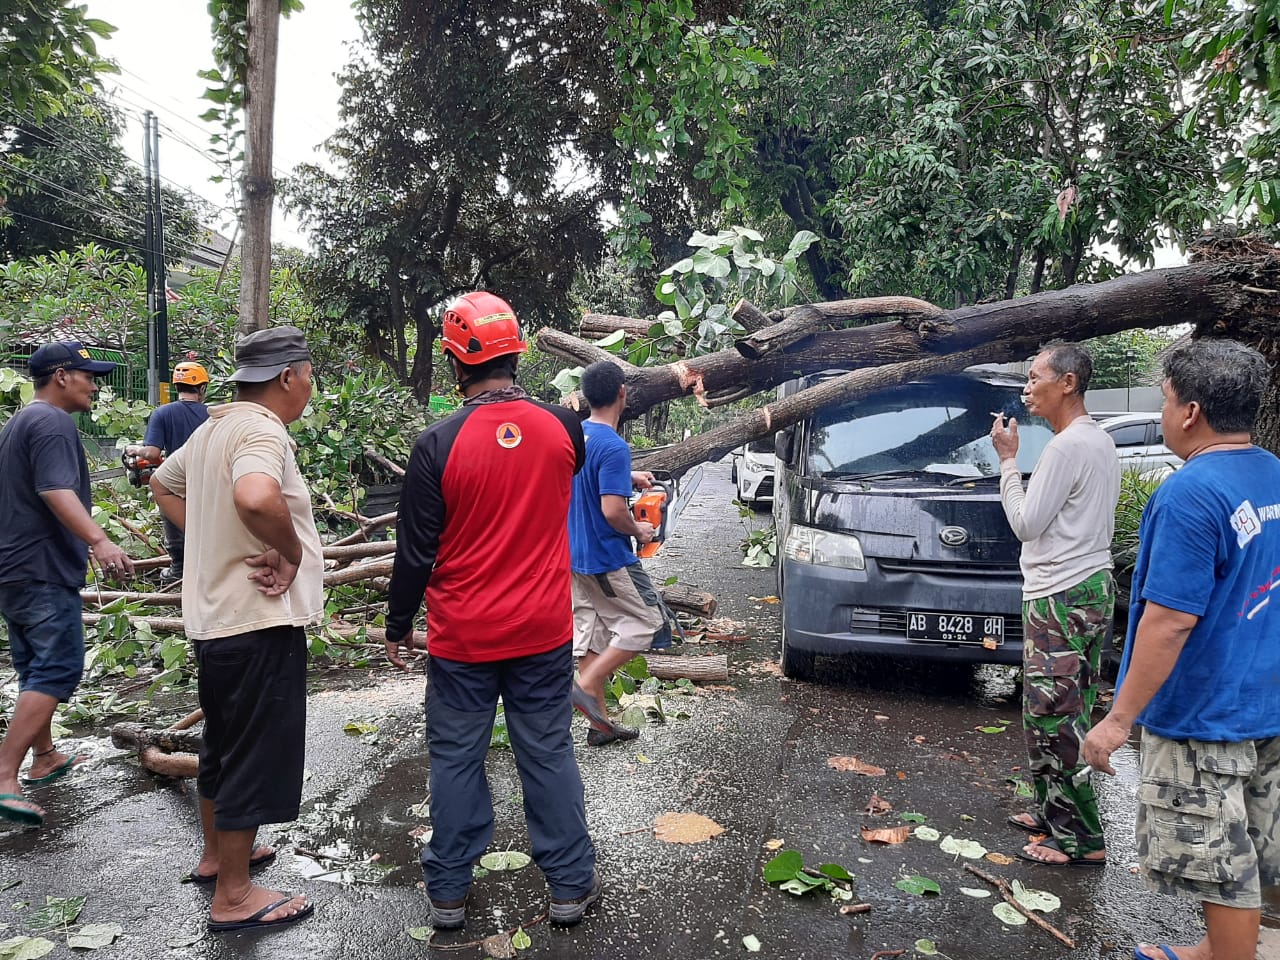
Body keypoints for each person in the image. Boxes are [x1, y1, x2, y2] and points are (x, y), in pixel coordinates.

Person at [385, 291, 600, 930]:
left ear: (456, 361)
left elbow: (416, 552)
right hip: (541, 630)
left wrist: (398, 624)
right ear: (516, 353)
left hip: (463, 638)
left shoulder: (436, 445)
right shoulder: (564, 430)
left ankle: (449, 891)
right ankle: (568, 887)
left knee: (456, 757)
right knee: (548, 751)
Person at [1083, 339, 1280, 960]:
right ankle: (1216, 951)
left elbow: (1168, 622)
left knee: (1220, 860)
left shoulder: (1191, 494)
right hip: (1266, 701)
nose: (1164, 411)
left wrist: (1118, 721)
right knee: (1258, 837)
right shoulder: (1273, 473)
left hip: (1204, 711)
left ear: (1190, 411)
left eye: (1165, 399)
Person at [150, 327, 321, 933]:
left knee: (221, 743)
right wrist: (291, 550)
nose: (309, 386)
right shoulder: (258, 428)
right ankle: (235, 895)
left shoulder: (211, 427)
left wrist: (208, 538)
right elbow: (255, 496)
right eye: (308, 374)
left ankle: (218, 856)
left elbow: (161, 484)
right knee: (254, 750)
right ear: (287, 377)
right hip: (255, 619)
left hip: (215, 620)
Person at [990, 342, 1119, 867]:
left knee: (1052, 717)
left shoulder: (1066, 448)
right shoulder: (1099, 441)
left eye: (1035, 377)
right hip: (1090, 585)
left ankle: (1081, 840)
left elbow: (1025, 524)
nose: (1026, 387)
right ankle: (1052, 810)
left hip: (1060, 594)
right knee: (1070, 708)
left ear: (1068, 383)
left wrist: (1007, 462)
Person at [0, 342, 136, 827]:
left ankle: (46, 756)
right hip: (40, 567)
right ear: (61, 376)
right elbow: (54, 490)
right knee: (58, 667)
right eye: (87, 376)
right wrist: (100, 541)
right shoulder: (53, 423)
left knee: (34, 665)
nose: (95, 385)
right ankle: (4, 777)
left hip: (14, 568)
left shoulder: (18, 423)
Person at [568, 360, 669, 746]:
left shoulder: (578, 435)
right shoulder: (614, 445)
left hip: (574, 555)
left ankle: (600, 726)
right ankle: (588, 683)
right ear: (623, 393)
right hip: (606, 558)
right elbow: (613, 512)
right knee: (647, 622)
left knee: (591, 637)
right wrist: (639, 527)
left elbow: (582, 473)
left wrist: (629, 476)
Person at [128, 361, 211, 581]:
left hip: (177, 479)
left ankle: (179, 569)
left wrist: (135, 449)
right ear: (202, 388)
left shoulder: (162, 413)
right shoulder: (212, 415)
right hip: (209, 478)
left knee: (173, 519)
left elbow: (153, 452)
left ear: (177, 387)